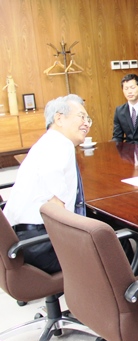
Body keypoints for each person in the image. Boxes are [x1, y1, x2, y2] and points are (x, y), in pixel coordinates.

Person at [4, 94, 91, 273]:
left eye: (88, 119)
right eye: (81, 117)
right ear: (59, 118)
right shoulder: (60, 144)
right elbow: (57, 208)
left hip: (21, 241)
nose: (87, 124)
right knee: (117, 247)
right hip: (40, 243)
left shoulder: (47, 143)